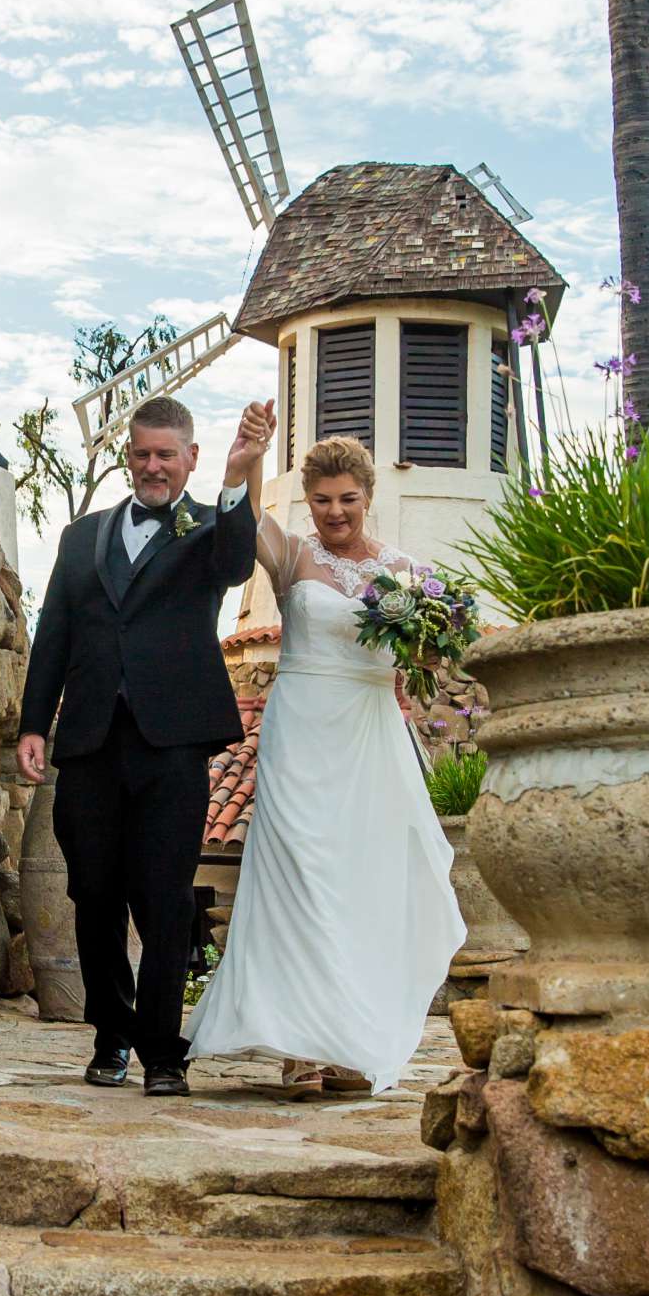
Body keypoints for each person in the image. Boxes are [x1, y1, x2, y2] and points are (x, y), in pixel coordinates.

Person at [187, 434, 465, 1096]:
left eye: (347, 499)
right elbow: (246, 514)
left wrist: (428, 652)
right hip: (301, 733)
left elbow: (431, 657)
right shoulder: (292, 557)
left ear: (368, 497)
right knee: (300, 873)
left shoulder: (405, 573)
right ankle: (298, 1045)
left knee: (360, 883)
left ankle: (347, 1042)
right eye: (320, 500)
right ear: (307, 501)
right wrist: (247, 458)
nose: (334, 512)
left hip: (370, 737)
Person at [17, 393, 273, 1096]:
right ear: (127, 457)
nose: (153, 466)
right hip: (92, 741)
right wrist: (35, 723)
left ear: (189, 458)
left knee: (163, 901)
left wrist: (238, 473)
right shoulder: (82, 536)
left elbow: (235, 564)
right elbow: (56, 634)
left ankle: (163, 1053)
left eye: (166, 454)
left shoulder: (207, 531)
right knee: (93, 894)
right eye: (142, 454)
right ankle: (112, 1036)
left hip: (172, 744)